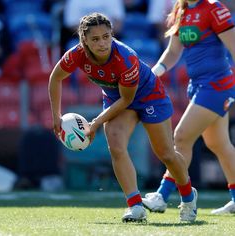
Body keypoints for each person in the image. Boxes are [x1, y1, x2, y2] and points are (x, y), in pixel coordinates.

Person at [48, 12, 197, 222]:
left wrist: (95, 123)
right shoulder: (76, 54)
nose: (102, 43)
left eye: (106, 36)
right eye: (95, 39)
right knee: (116, 146)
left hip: (148, 97)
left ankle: (189, 198)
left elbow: (127, 100)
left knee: (165, 154)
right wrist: (56, 115)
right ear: (84, 41)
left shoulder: (125, 58)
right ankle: (135, 206)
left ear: (112, 34)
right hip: (116, 97)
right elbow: (55, 78)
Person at [142, 0, 235, 215]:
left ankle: (162, 196)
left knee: (182, 136)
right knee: (219, 144)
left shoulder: (214, 7)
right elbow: (174, 51)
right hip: (198, 86)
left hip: (216, 86)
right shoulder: (181, 10)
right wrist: (156, 71)